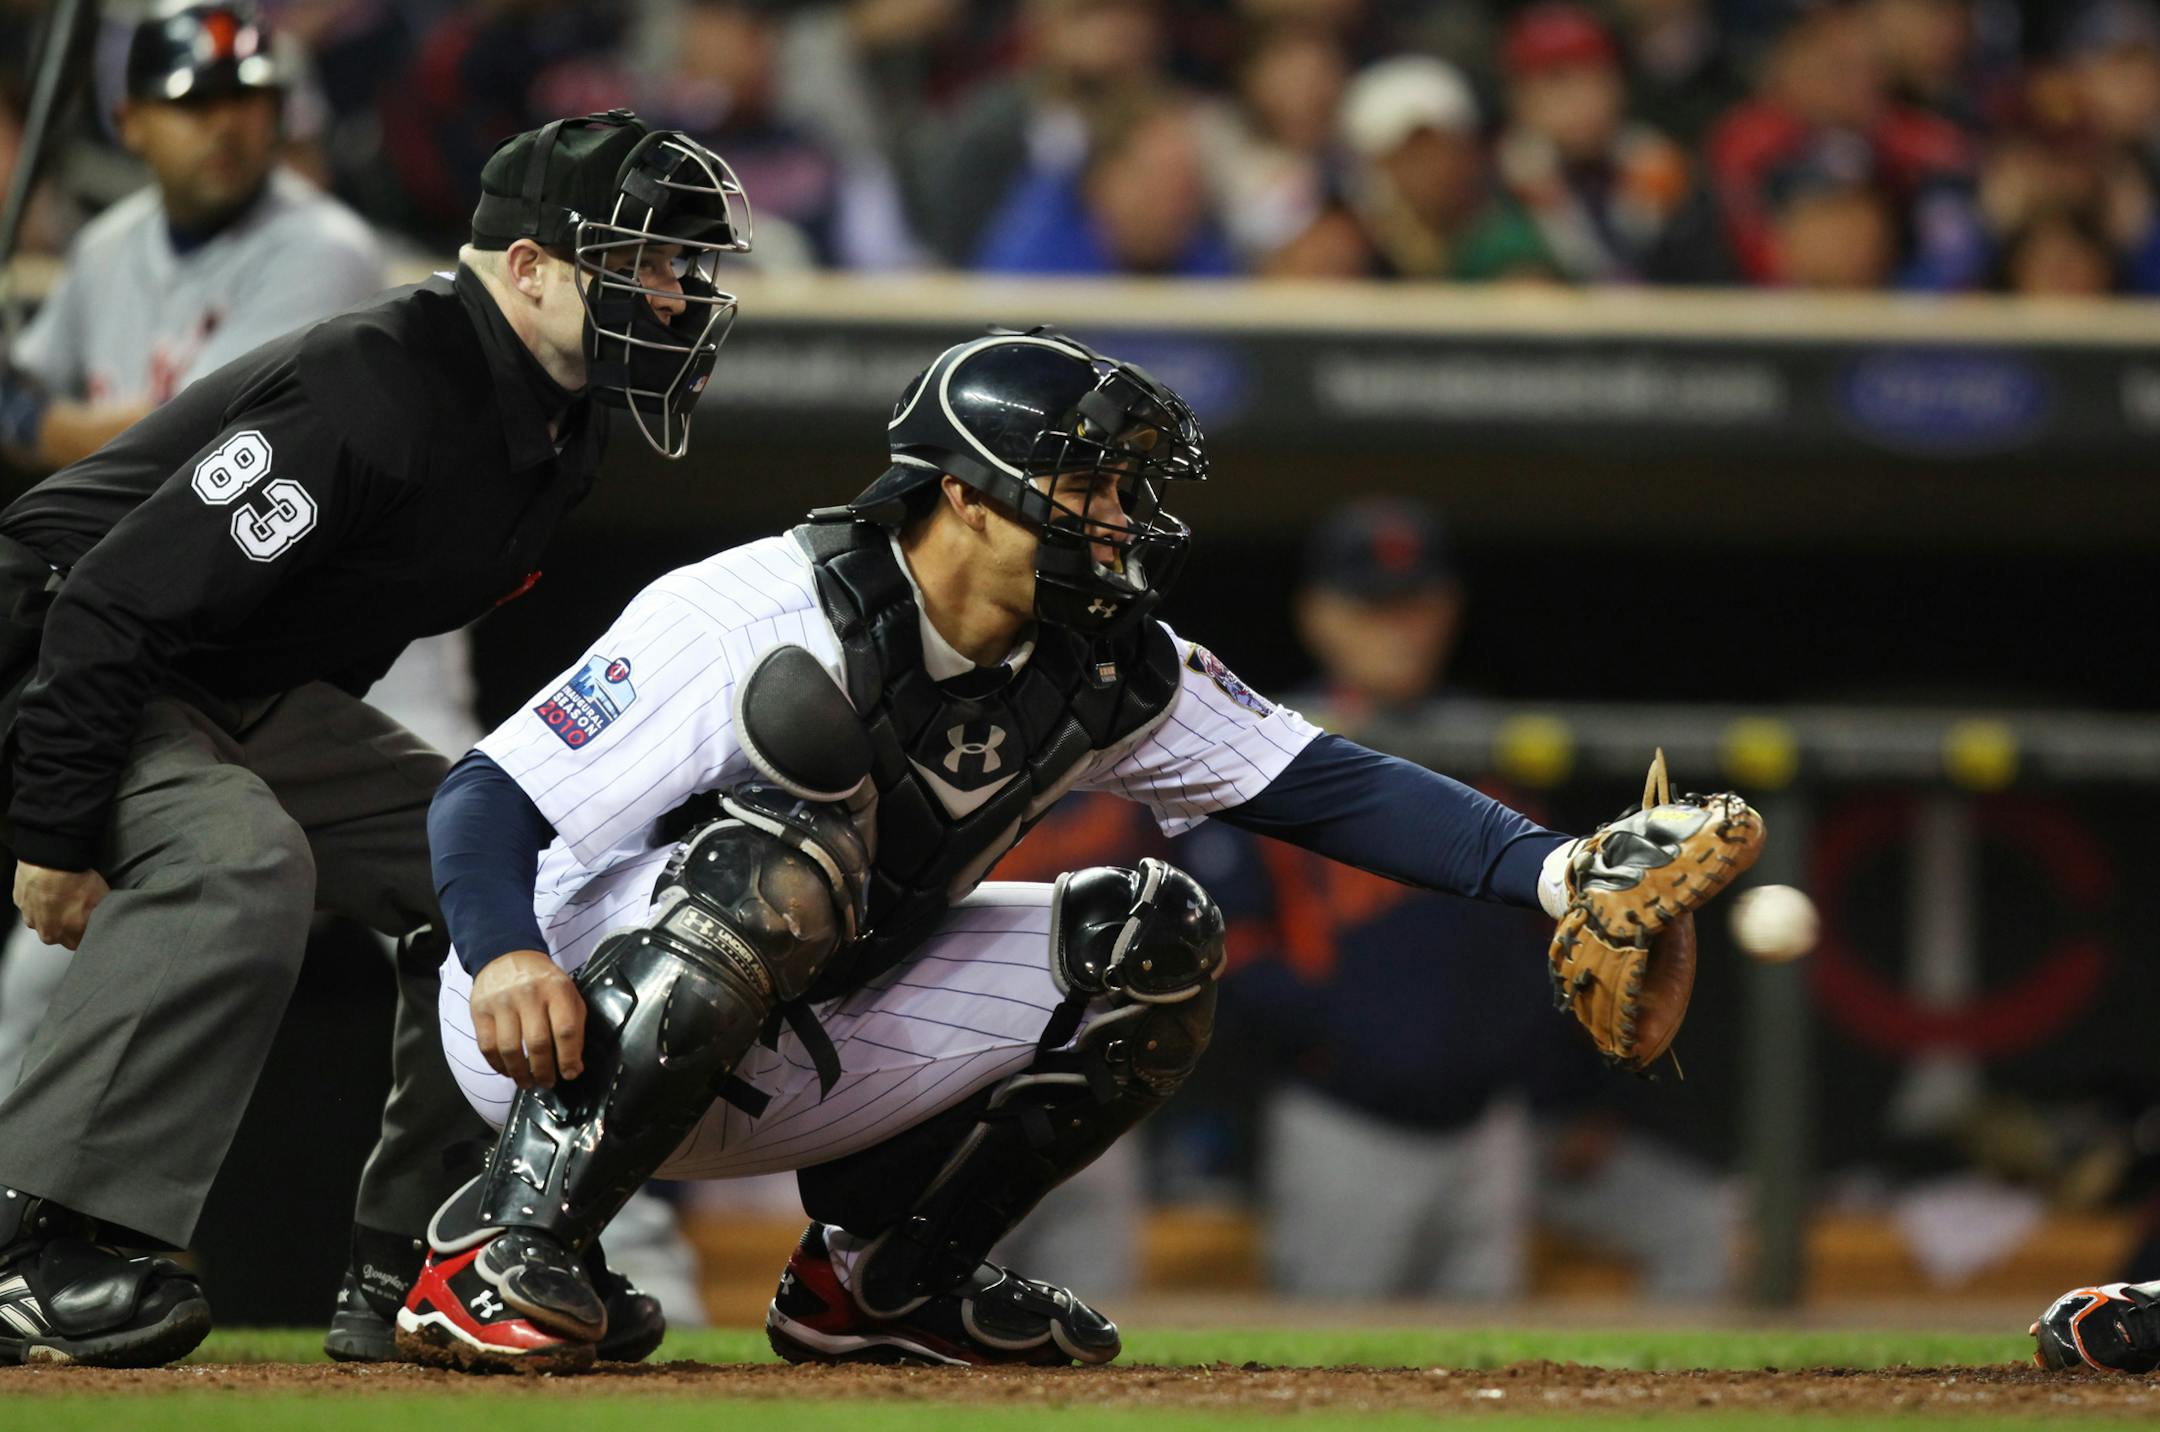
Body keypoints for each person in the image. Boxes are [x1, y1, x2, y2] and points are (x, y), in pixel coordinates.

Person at [393, 329, 1762, 1371]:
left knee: (1152, 938)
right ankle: (502, 1251)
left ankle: (882, 1283)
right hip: (553, 1017)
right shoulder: (756, 608)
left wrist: (1557, 872)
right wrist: (503, 952)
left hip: (795, 1024)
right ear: (965, 498)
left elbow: (1323, 783)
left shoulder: (1110, 660)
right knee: (780, 863)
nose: (1115, 512)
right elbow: (485, 795)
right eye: (1085, 480)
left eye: (1120, 484)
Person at [0, 107, 750, 1368]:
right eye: (640, 264)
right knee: (239, 859)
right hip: (54, 652)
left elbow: (332, 622)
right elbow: (112, 596)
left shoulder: (558, 419)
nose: (673, 297)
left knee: (515, 877)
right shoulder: (379, 384)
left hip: (225, 677)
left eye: (680, 267)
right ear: (529, 268)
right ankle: (35, 1243)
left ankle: (429, 1249)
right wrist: (60, 826)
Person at [1198, 500, 1732, 1300]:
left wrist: (1569, 1091)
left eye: (1416, 603)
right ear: (1318, 613)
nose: (1400, 629)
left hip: (1491, 1128)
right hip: (1346, 1126)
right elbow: (1228, 950)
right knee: (1329, 1358)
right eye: (1373, 606)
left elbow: (1549, 945)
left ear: (1448, 607)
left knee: (1483, 1359)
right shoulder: (1266, 749)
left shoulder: (1497, 748)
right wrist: (1338, 1047)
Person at [0, 1, 384, 474]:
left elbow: (185, 447)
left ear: (277, 114)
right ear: (130, 124)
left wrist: (28, 420)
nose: (224, 125)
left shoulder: (328, 251)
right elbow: (30, 379)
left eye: (244, 98)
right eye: (193, 102)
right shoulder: (104, 246)